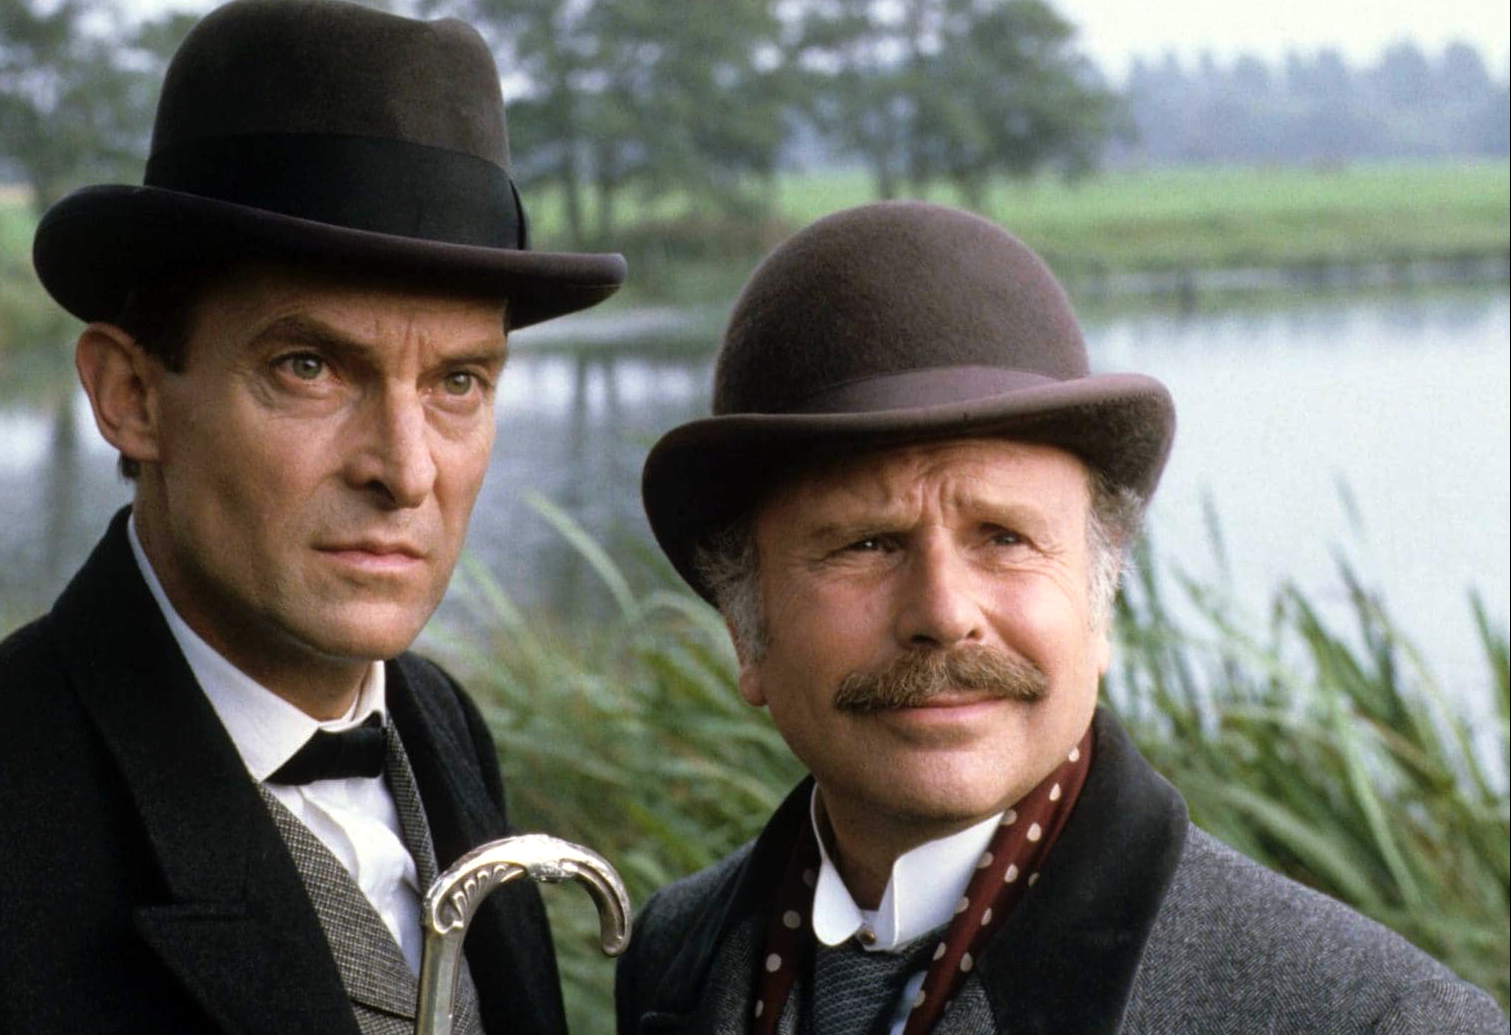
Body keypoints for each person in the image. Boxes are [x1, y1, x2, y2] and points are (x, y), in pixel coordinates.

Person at [0, 0, 625, 1034]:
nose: (407, 472)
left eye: (458, 382)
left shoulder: (441, 723)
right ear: (131, 396)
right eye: (310, 367)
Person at [615, 202, 1503, 1033]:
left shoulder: (1370, 1017)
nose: (943, 613)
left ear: (1099, 601)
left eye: (1003, 538)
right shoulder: (674, 950)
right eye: (867, 544)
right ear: (746, 628)